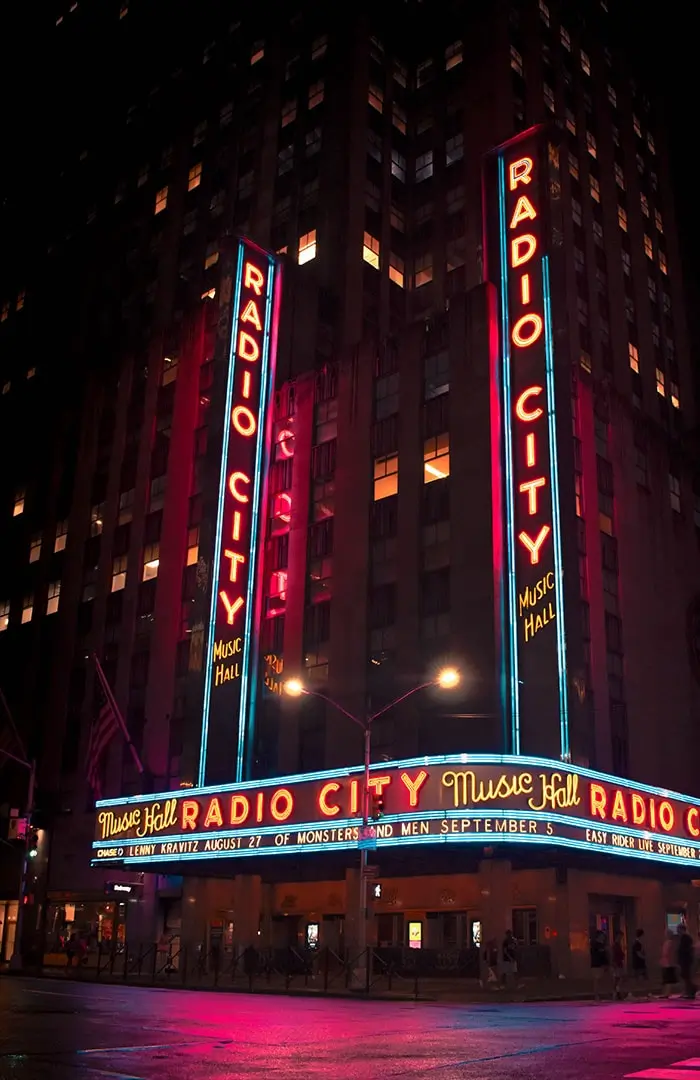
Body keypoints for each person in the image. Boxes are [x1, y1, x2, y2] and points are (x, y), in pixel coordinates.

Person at [677, 924, 696, 1000]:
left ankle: (691, 991)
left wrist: (681, 959)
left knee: (686, 977)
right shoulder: (685, 937)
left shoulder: (685, 938)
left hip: (685, 960)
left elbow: (685, 950)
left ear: (682, 929)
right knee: (686, 977)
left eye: (678, 929)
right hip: (685, 960)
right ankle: (690, 991)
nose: (677, 931)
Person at [590, 930, 609, 1001]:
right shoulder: (595, 945)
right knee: (597, 980)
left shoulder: (602, 945)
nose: (603, 937)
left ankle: (601, 994)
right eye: (602, 936)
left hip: (602, 965)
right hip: (597, 965)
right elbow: (597, 955)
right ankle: (596, 995)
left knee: (601, 980)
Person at [660, 930, 677, 998]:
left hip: (668, 963)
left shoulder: (669, 943)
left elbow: (668, 953)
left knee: (668, 979)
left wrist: (670, 961)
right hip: (666, 962)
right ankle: (667, 992)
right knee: (667, 979)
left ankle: (667, 993)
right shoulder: (669, 942)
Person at [611, 932, 626, 1000]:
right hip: (617, 964)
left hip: (618, 963)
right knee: (618, 979)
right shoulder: (615, 945)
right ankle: (616, 993)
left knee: (618, 979)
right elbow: (614, 955)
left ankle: (617, 993)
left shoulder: (618, 945)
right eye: (620, 937)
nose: (621, 938)